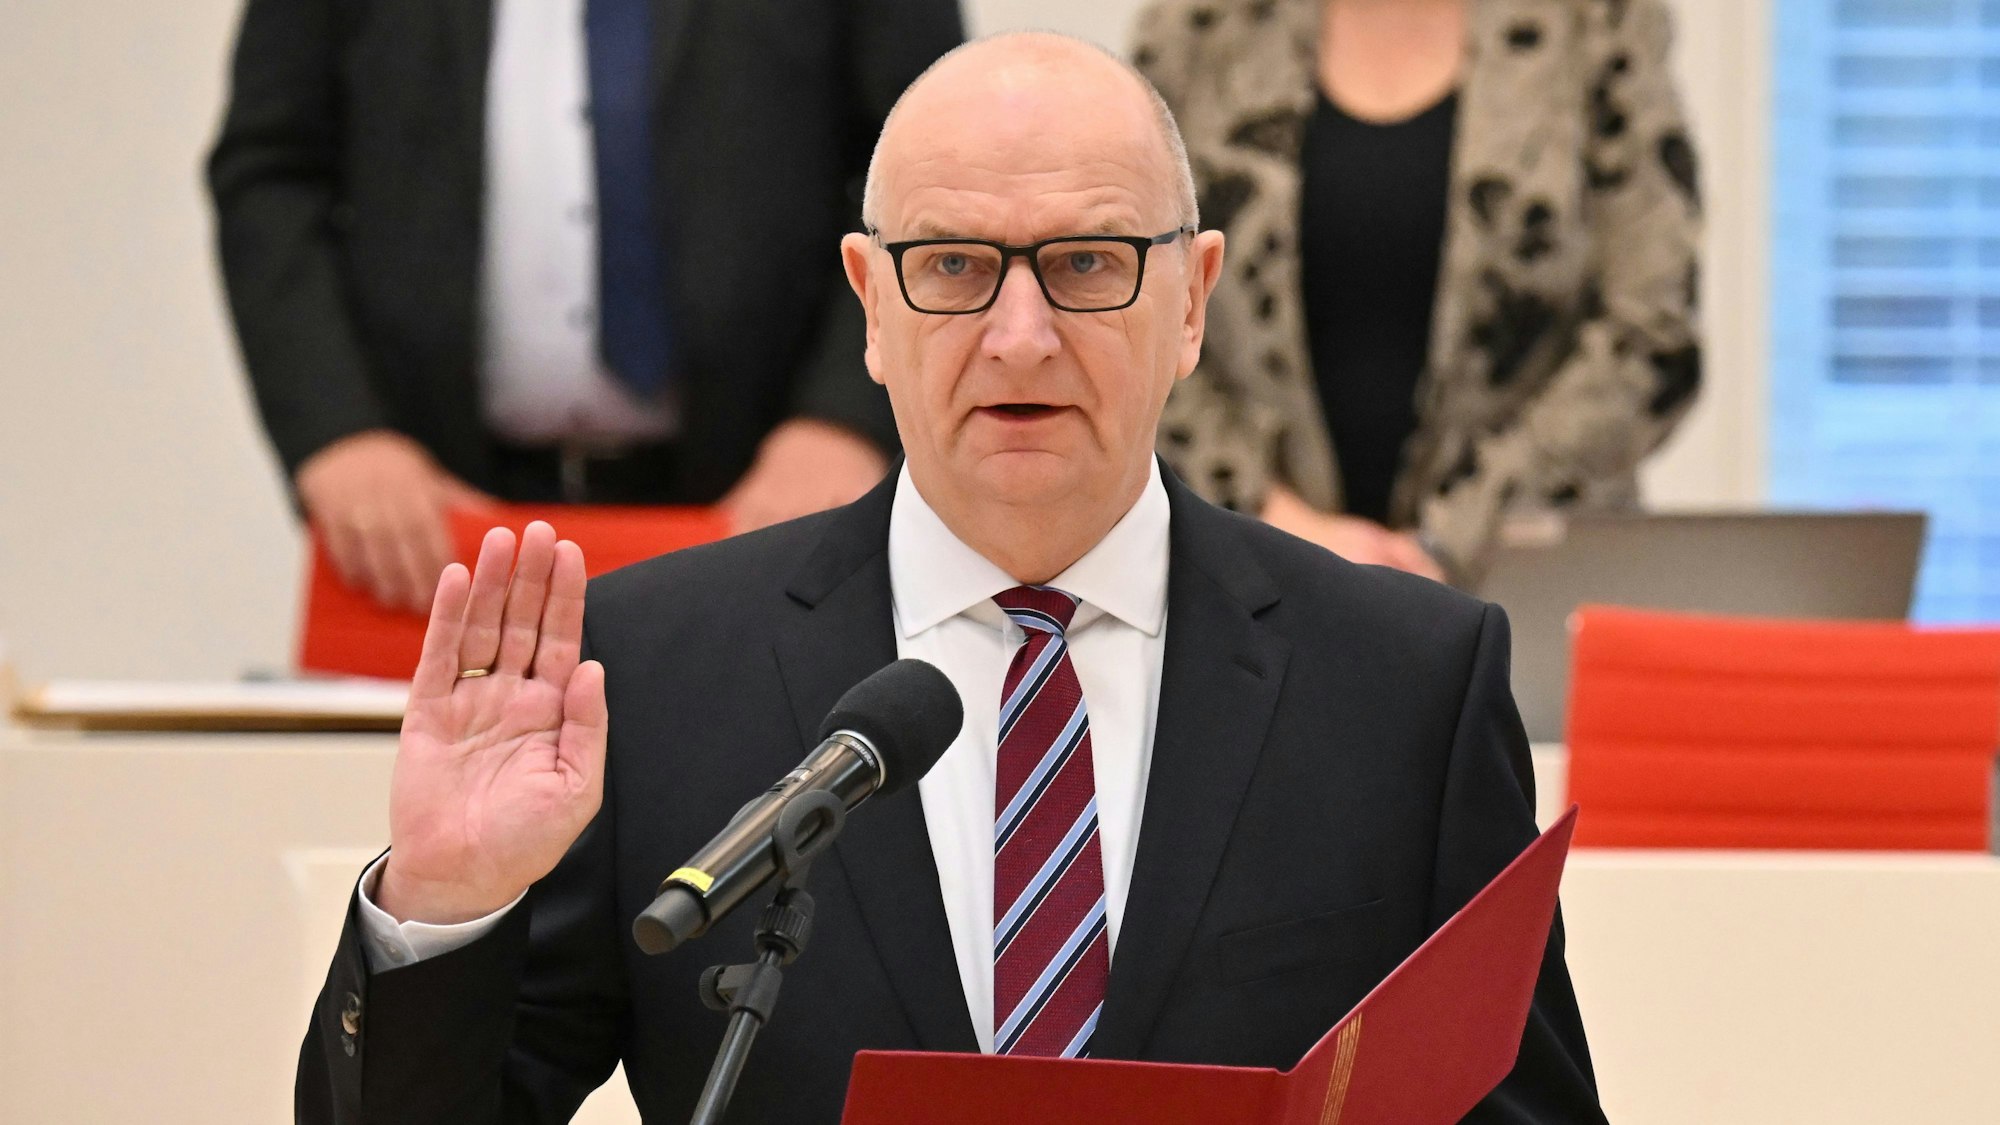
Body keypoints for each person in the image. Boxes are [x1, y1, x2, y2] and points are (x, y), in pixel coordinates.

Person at [296, 33, 1608, 1123]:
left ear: (1194, 299)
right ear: (871, 304)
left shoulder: (1404, 685)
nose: (1020, 335)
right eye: (954, 268)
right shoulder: (651, 670)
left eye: (1089, 263)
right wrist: (446, 911)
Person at [207, 0, 963, 612]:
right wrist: (339, 430)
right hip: (433, 515)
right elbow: (273, 175)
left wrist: (846, 418)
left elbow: (933, 176)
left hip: (767, 497)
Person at [1134, 0, 1703, 586]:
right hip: (1249, 584)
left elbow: (1653, 333)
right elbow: (1135, 307)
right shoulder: (1197, 28)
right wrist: (1273, 517)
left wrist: (1451, 540)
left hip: (1525, 590)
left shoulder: (1597, 22)